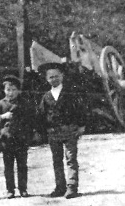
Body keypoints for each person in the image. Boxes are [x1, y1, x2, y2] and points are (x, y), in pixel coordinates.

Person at [37, 62, 87, 199]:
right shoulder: (46, 96)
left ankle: (72, 187)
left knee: (71, 158)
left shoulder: (70, 92)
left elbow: (80, 109)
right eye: (51, 77)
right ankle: (60, 187)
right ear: (47, 79)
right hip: (53, 132)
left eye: (57, 76)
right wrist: (43, 131)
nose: (54, 79)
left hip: (70, 129)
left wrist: (81, 126)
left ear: (62, 76)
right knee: (57, 160)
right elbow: (41, 114)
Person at [0, 75, 34, 199]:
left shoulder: (24, 103)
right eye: (8, 90)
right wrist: (3, 116)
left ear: (19, 91)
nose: (11, 93)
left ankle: (23, 189)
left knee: (22, 165)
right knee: (8, 166)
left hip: (21, 139)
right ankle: (10, 190)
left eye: (14, 90)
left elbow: (30, 120)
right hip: (6, 139)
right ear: (4, 90)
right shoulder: (1, 103)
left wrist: (29, 135)